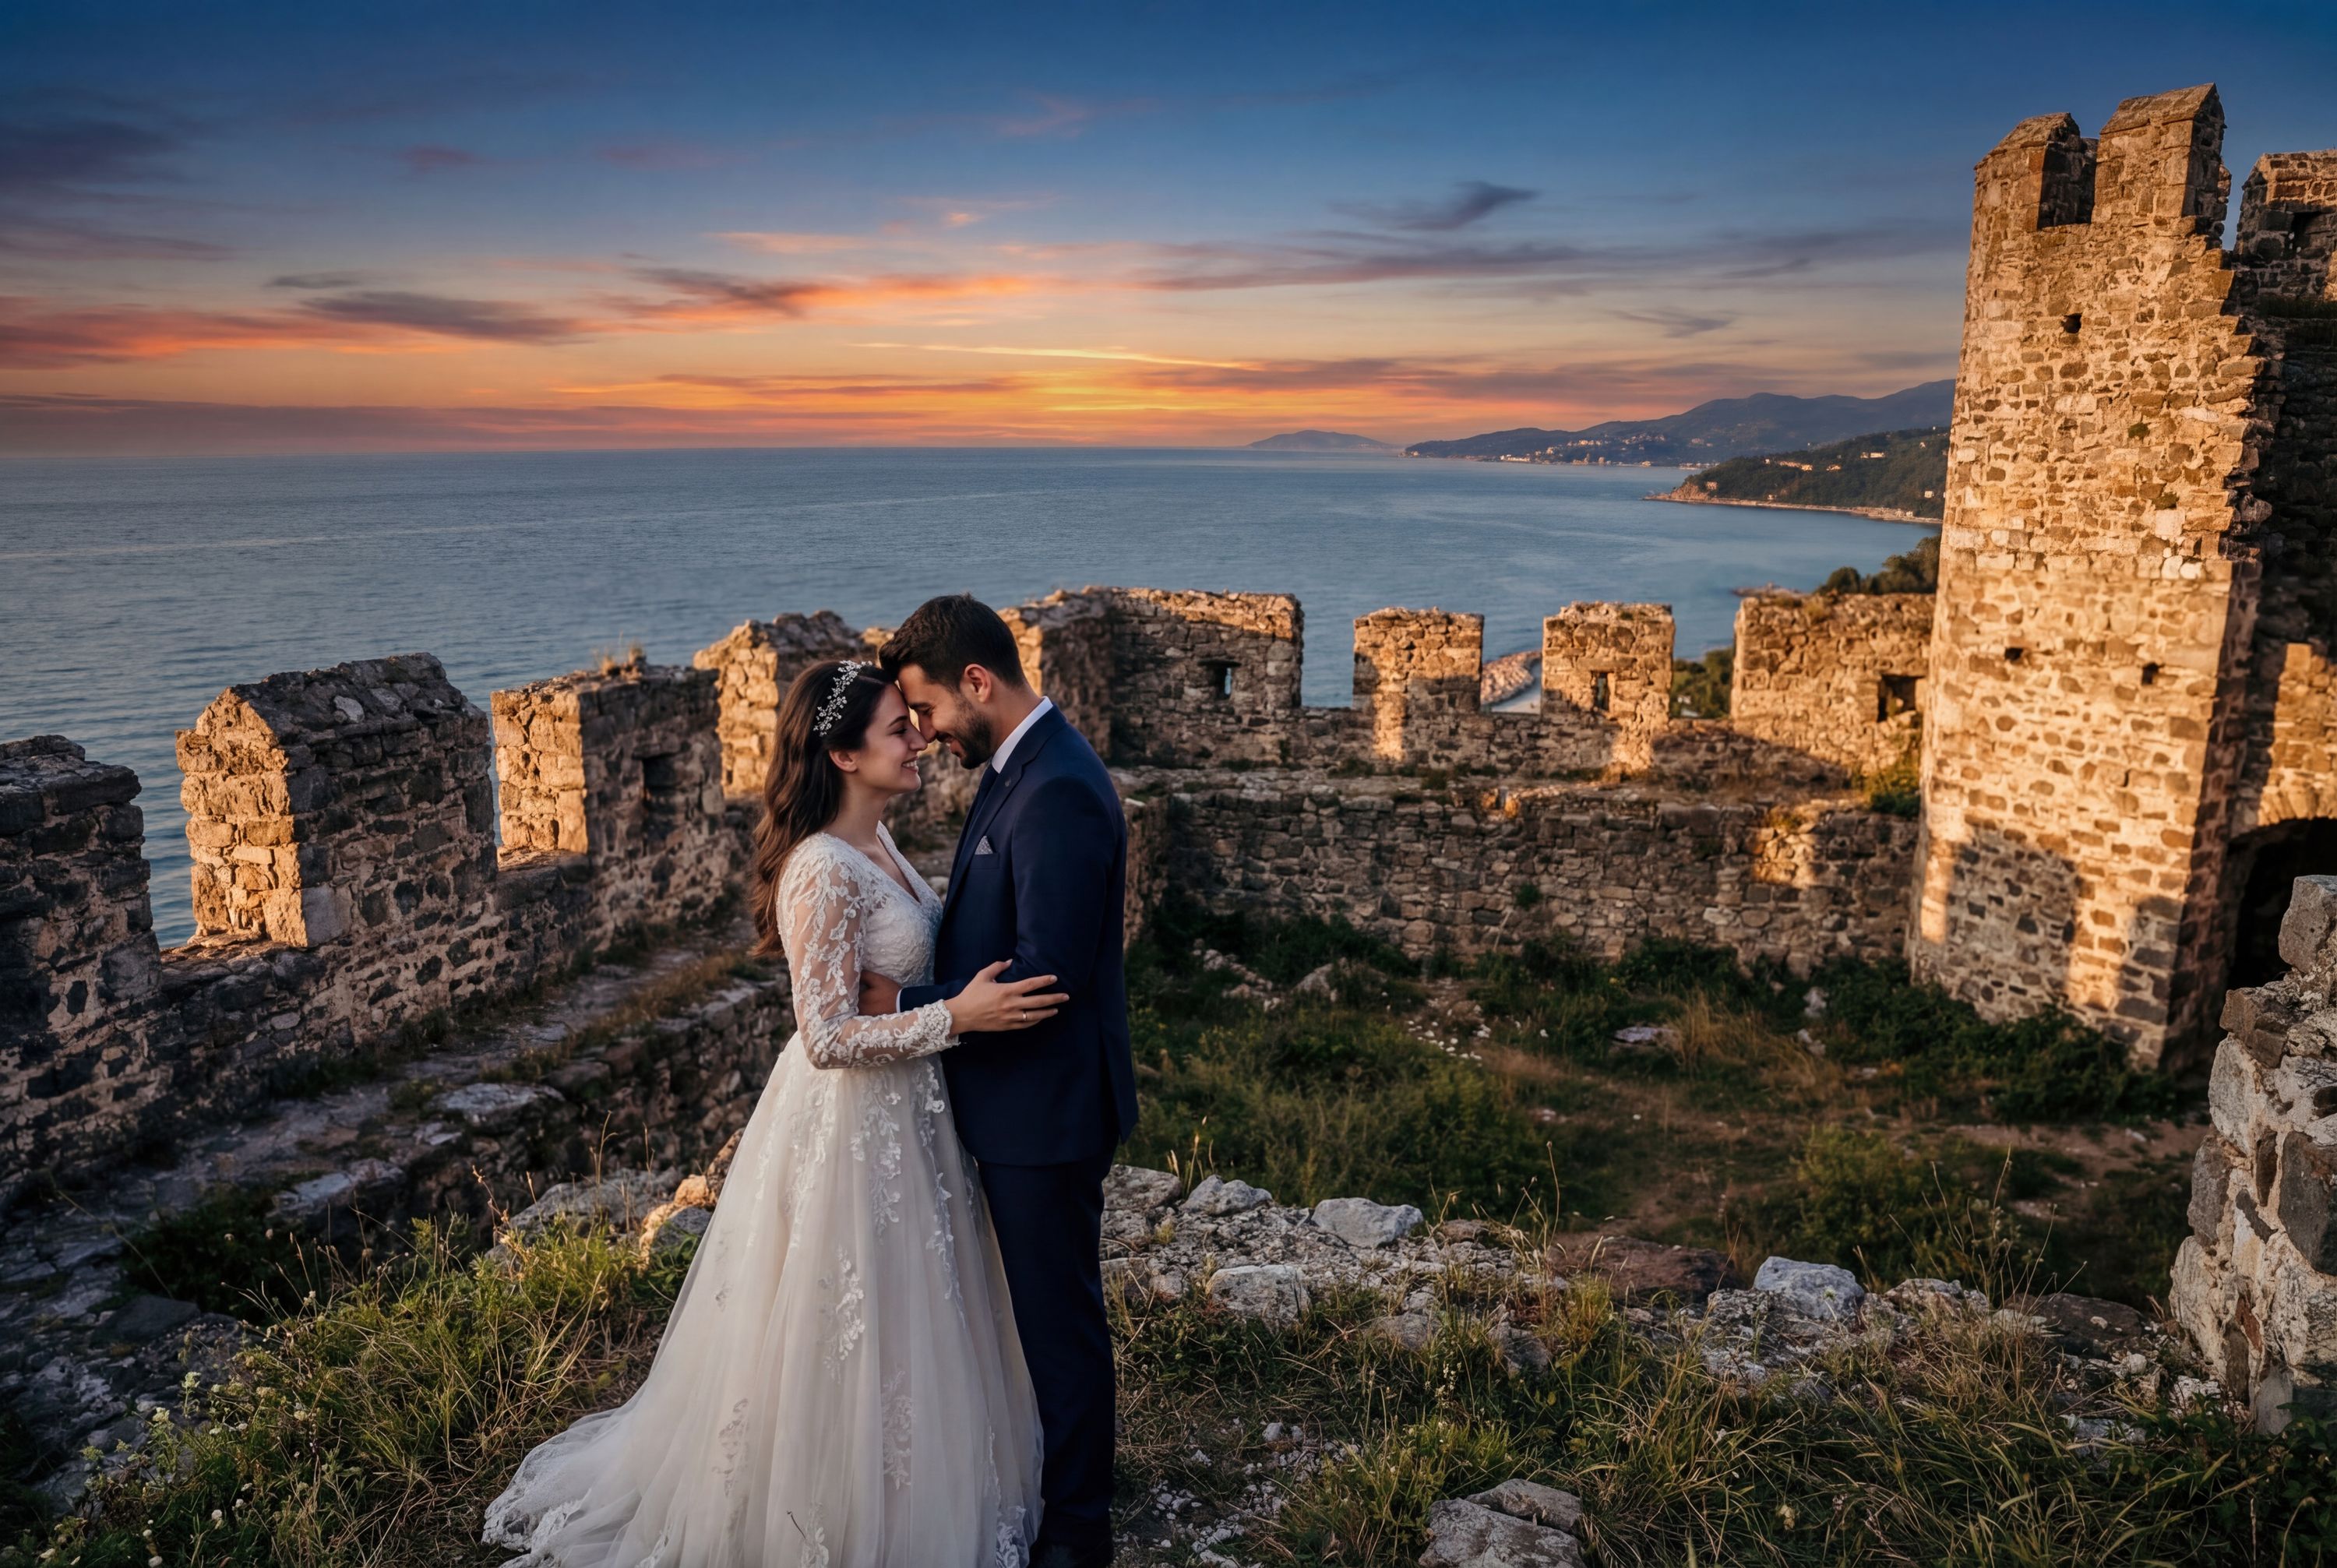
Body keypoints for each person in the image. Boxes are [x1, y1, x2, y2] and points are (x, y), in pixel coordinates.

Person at [484, 657, 1068, 1568]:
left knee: (916, 1318)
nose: (919, 738)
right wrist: (957, 1015)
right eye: (896, 730)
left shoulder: (879, 845)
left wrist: (931, 993)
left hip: (910, 1117)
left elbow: (895, 970)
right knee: (848, 1319)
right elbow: (827, 1036)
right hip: (850, 1125)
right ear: (842, 754)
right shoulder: (821, 871)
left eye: (915, 724)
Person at [865, 596, 1137, 1568]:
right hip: (1017, 1108)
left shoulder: (1056, 784)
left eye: (929, 710)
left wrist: (907, 1004)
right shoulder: (1021, 764)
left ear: (976, 682)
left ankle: (1078, 1532)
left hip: (1046, 1114)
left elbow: (1044, 975)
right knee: (1036, 1319)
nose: (927, 734)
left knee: (1059, 1328)